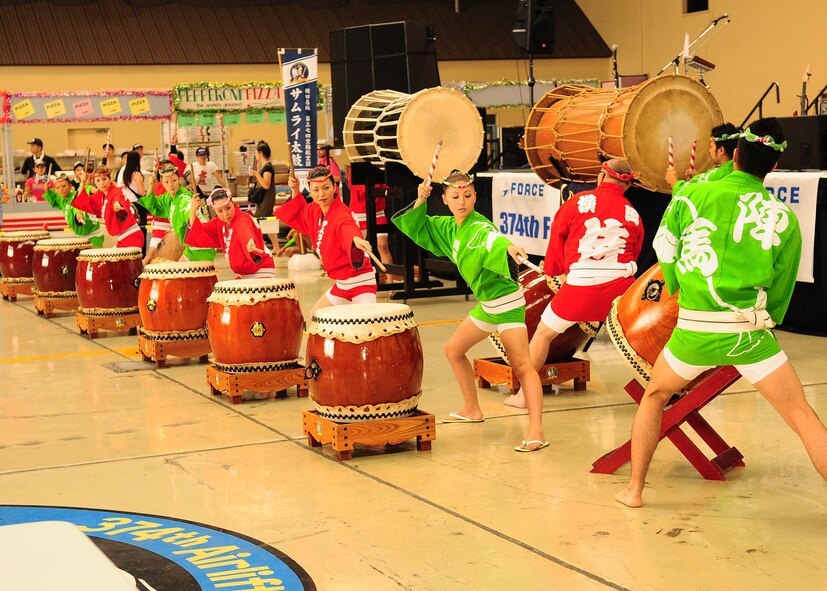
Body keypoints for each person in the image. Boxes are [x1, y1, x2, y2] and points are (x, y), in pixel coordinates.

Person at [615, 118, 827, 508]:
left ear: (735, 156)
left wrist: (680, 287)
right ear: (775, 166)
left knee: (655, 395)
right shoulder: (783, 217)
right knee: (802, 416)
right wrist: (768, 318)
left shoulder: (692, 194)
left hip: (692, 333)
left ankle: (634, 491)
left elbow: (666, 246)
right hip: (748, 336)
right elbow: (782, 290)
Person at [392, 170, 547, 452]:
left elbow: (494, 240)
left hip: (507, 304)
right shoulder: (449, 228)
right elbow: (418, 226)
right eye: (455, 197)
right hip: (487, 305)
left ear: (475, 196)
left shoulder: (479, 227)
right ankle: (472, 409)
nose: (462, 202)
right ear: (445, 199)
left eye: (467, 195)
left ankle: (536, 430)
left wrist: (511, 248)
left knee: (522, 366)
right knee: (453, 350)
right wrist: (419, 200)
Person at [505, 159, 644, 409]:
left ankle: (524, 396)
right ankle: (663, 391)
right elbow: (634, 253)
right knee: (644, 337)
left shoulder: (577, 202)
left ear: (601, 177)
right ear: (628, 185)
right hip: (620, 290)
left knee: (544, 335)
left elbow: (557, 244)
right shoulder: (633, 213)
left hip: (580, 287)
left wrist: (554, 271)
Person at [276, 166, 376, 316]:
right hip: (341, 284)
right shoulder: (315, 210)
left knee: (367, 327)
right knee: (316, 317)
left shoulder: (342, 213)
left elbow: (347, 226)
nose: (321, 194)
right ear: (310, 191)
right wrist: (295, 190)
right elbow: (299, 211)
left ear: (334, 187)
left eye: (326, 188)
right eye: (315, 190)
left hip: (360, 282)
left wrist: (355, 239)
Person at [185, 187, 276, 279]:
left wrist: (249, 241)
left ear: (233, 203)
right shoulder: (219, 223)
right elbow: (199, 232)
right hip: (246, 273)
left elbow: (245, 230)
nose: (225, 214)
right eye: (220, 211)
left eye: (228, 208)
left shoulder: (242, 219)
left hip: (261, 270)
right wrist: (193, 211)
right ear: (214, 211)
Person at [138, 164, 215, 262]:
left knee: (175, 273)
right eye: (166, 182)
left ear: (179, 180)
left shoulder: (184, 199)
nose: (170, 185)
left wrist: (192, 211)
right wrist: (151, 186)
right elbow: (152, 205)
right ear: (161, 183)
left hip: (201, 244)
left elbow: (192, 223)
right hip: (192, 244)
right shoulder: (168, 198)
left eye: (174, 180)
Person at [73, 166, 143, 248]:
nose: (102, 183)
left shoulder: (115, 192)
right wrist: (82, 182)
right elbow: (81, 200)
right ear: (94, 183)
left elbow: (117, 199)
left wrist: (117, 205)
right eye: (98, 180)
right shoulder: (100, 197)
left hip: (132, 237)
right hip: (122, 238)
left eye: (104, 179)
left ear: (110, 179)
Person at [666, 123, 741, 195]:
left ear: (721, 150)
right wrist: (697, 177)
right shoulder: (737, 169)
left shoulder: (717, 175)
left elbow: (687, 193)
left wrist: (673, 181)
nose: (710, 150)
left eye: (711, 146)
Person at [42, 173, 105, 247]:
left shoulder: (76, 195)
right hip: (80, 236)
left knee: (94, 257)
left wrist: (79, 215)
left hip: (94, 235)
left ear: (70, 186)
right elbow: (54, 197)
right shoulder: (61, 199)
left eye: (64, 186)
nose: (61, 189)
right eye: (58, 187)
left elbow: (77, 208)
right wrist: (47, 190)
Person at [248, 142, 278, 247]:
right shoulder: (265, 166)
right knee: (267, 222)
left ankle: (257, 246)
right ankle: (276, 247)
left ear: (261, 153)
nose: (255, 155)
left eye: (256, 152)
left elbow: (266, 185)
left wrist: (256, 174)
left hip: (267, 198)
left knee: (258, 220)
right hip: (264, 198)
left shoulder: (268, 167)